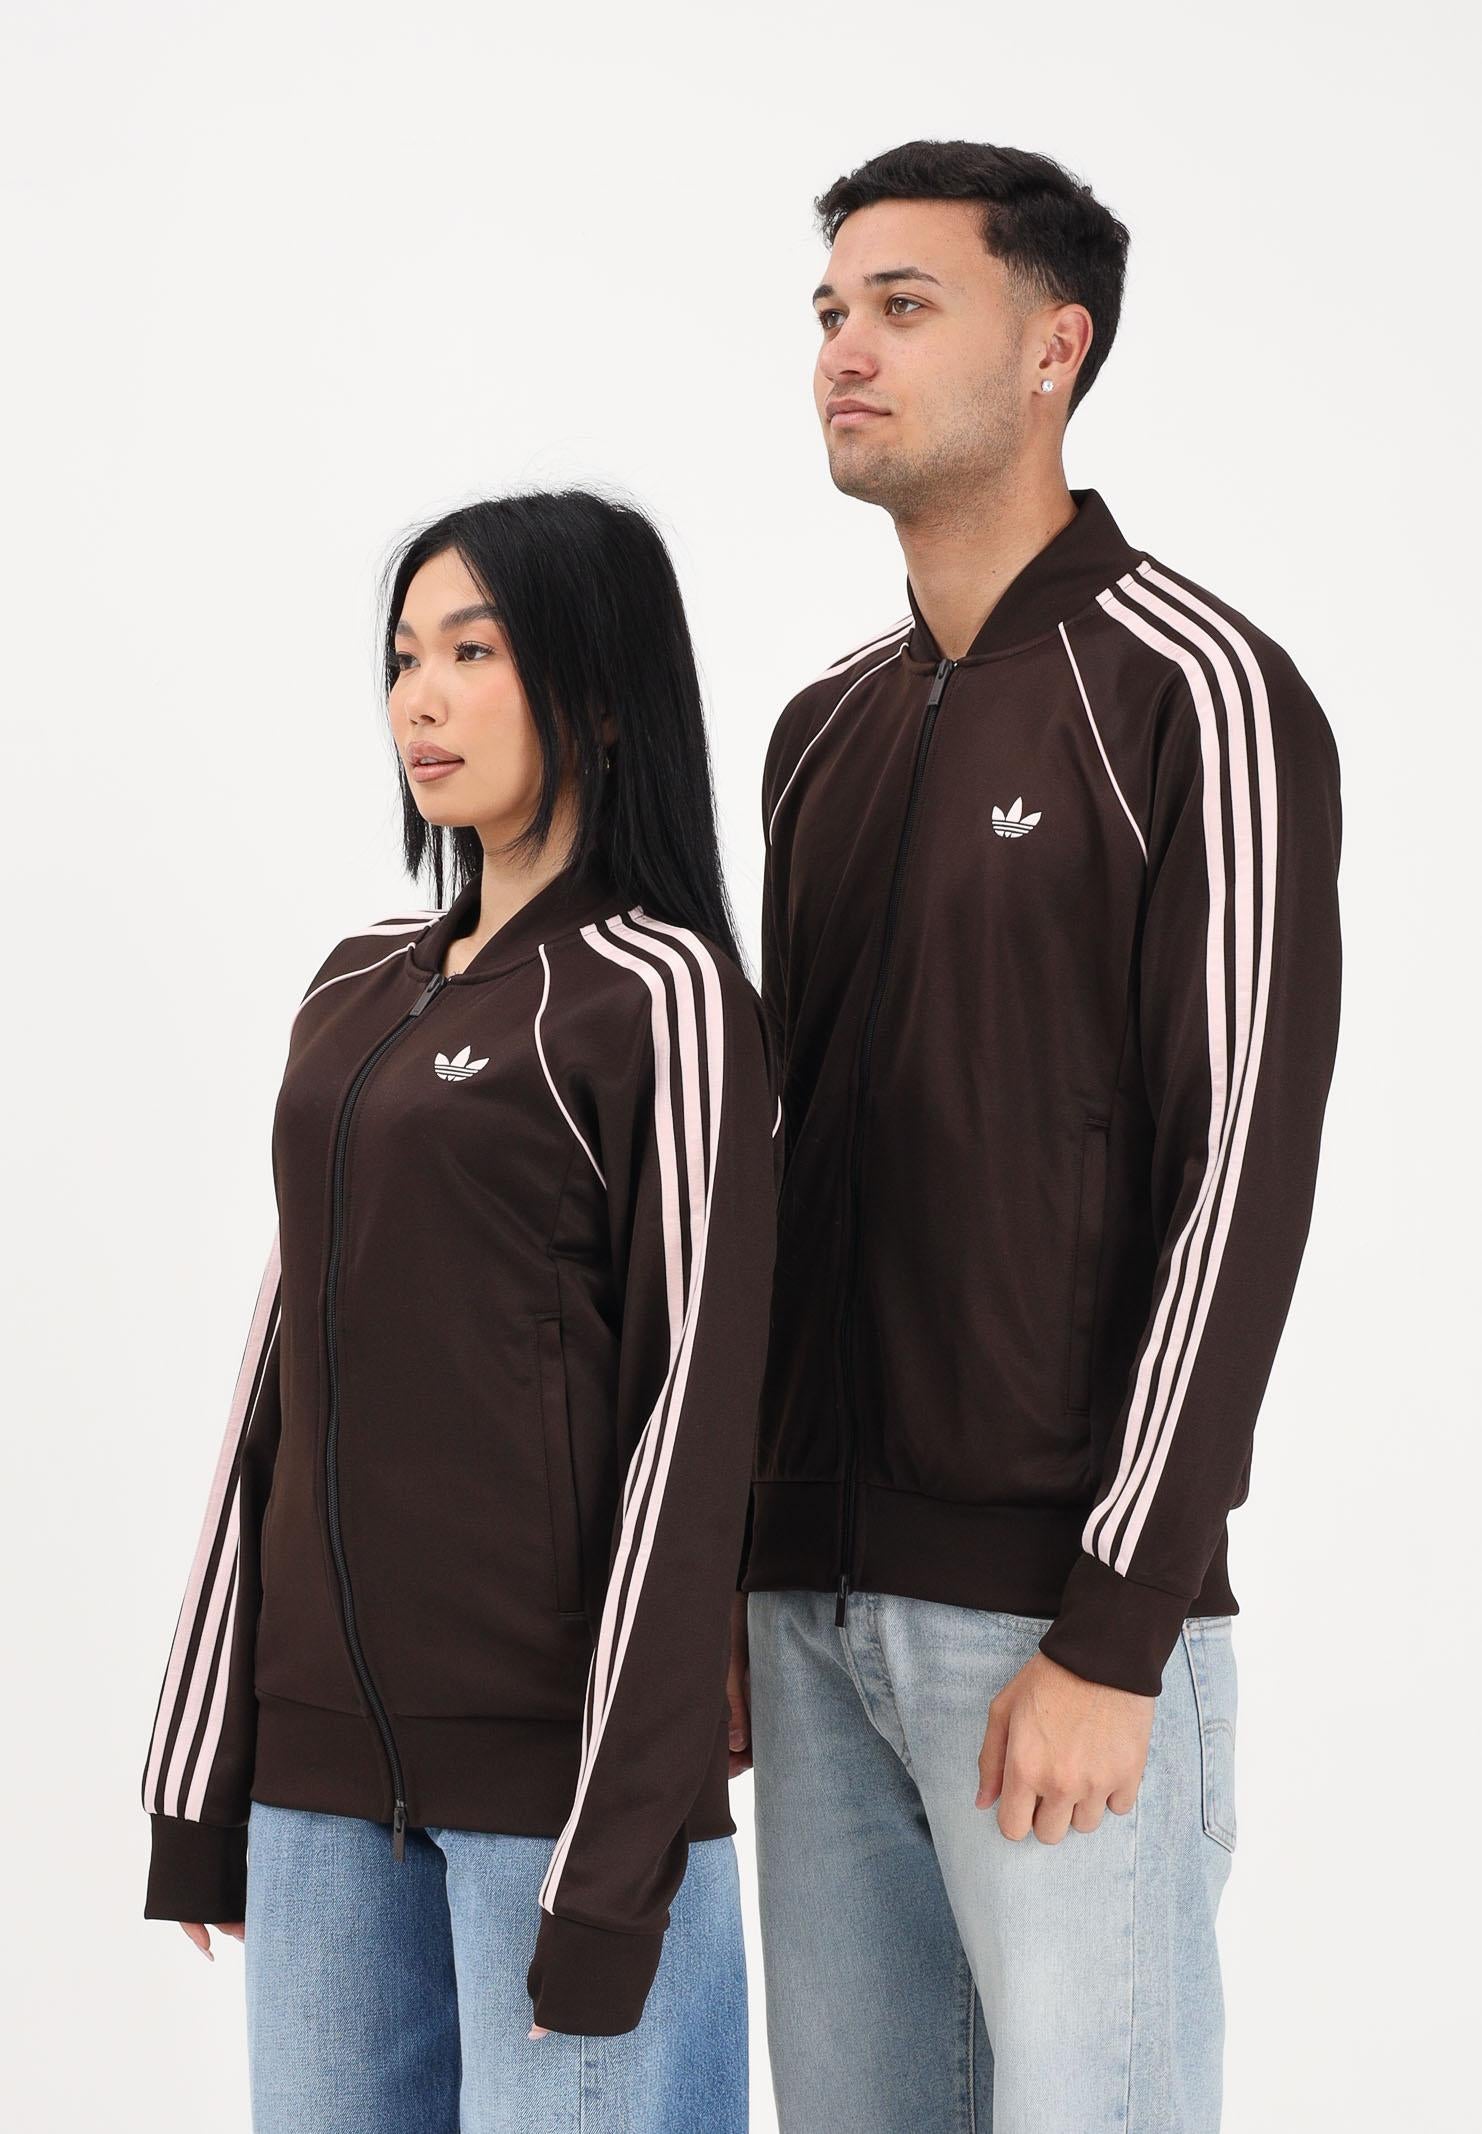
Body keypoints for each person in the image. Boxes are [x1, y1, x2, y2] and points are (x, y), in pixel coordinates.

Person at [730, 140, 1343, 2133]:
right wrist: (742, 1570)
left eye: (904, 307)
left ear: (1053, 348)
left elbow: (1238, 1170)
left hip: (1050, 1616)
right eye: (831, 310)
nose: (844, 350)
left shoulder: (1199, 692)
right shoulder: (821, 733)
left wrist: (1116, 1619)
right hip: (810, 1612)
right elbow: (778, 1182)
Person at [140, 489, 778, 2133]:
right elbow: (275, 1385)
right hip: (320, 1788)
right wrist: (202, 1770)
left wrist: (622, 1844)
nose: (419, 699)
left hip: (553, 1794)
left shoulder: (660, 995)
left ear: (601, 693)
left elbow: (692, 1424)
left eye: (473, 653)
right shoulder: (356, 983)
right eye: (403, 657)